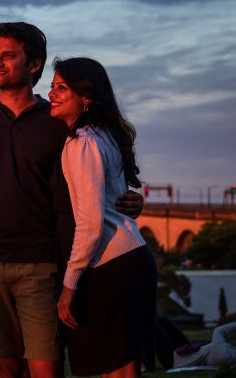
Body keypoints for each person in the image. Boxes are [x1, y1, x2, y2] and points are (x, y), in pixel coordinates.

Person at [0, 23, 143, 378]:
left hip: (41, 261)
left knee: (46, 368)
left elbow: (99, 171)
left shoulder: (59, 120)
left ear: (34, 65)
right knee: (8, 370)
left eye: (8, 56)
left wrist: (129, 200)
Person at [48, 57, 157, 377]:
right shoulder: (104, 135)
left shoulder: (82, 143)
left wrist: (69, 286)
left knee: (118, 370)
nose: (52, 94)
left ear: (86, 97)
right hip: (128, 261)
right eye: (52, 87)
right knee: (120, 368)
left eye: (61, 88)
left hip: (114, 266)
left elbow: (91, 222)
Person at [156, 316, 236, 369]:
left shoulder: (224, 356)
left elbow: (219, 331)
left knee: (154, 323)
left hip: (173, 360)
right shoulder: (234, 354)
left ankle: (143, 358)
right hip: (186, 352)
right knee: (163, 320)